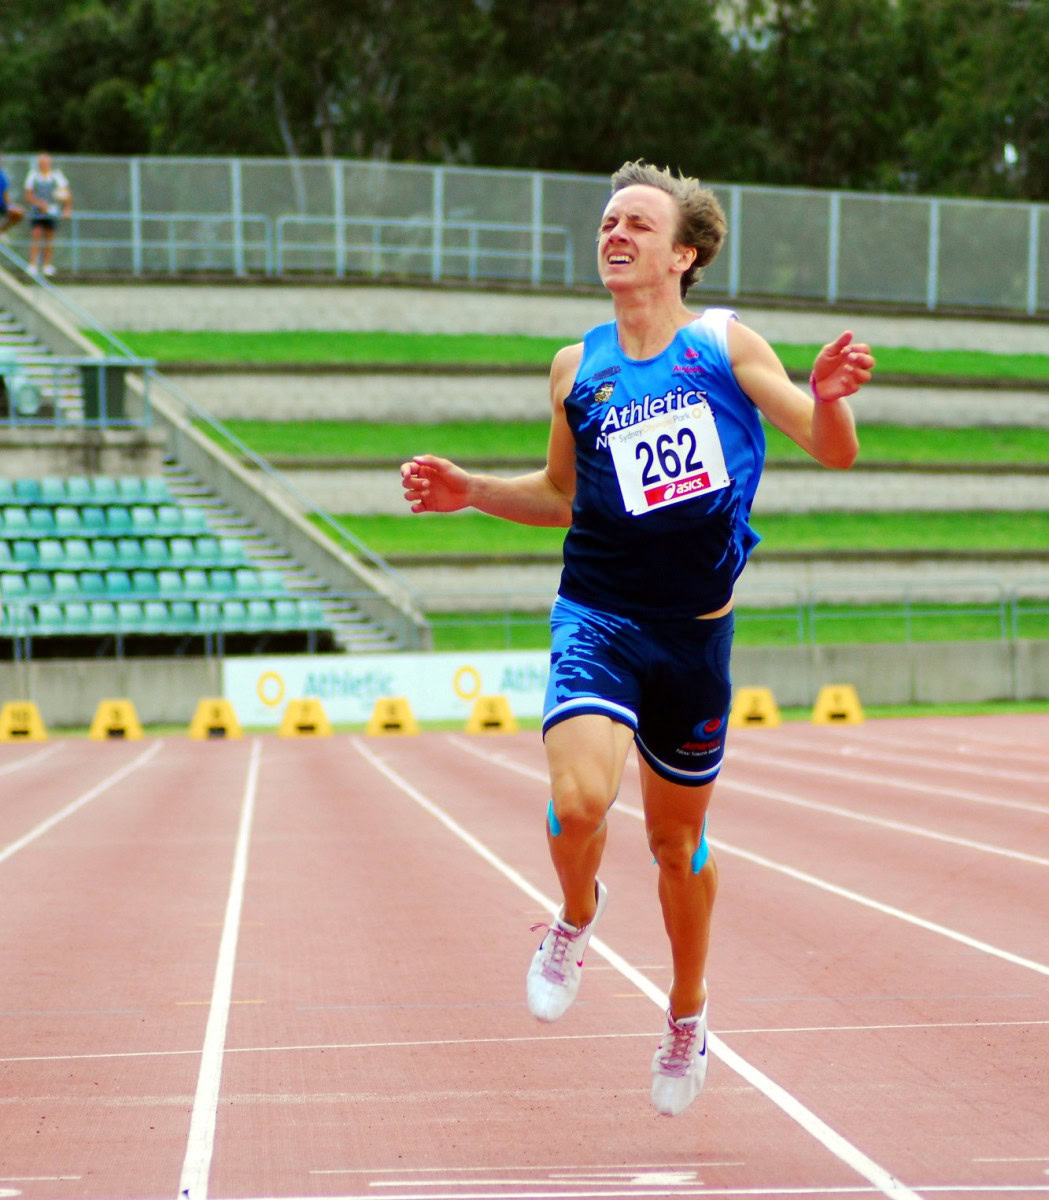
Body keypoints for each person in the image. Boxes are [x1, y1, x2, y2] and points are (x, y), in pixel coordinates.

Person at [400, 160, 875, 1117]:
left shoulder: (721, 345)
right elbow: (563, 496)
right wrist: (473, 492)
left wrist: (825, 397)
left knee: (674, 845)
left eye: (637, 224)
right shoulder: (576, 366)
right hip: (598, 616)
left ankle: (687, 1012)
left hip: (693, 642)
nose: (614, 233)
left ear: (683, 253)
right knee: (579, 804)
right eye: (607, 220)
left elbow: (832, 449)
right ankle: (575, 917)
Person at [23, 152, 72, 277]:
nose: (44, 165)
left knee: (49, 238)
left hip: (52, 210)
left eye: (46, 162)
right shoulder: (33, 176)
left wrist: (67, 209)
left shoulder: (56, 176)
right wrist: (40, 204)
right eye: (42, 163)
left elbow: (66, 193)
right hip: (37, 211)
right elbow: (28, 195)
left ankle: (46, 265)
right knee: (36, 235)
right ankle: (33, 264)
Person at [0, 155, 25, 242]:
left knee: (19, 212)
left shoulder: (2, 176)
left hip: (2, 206)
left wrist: (10, 206)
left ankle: (1, 231)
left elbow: (5, 194)